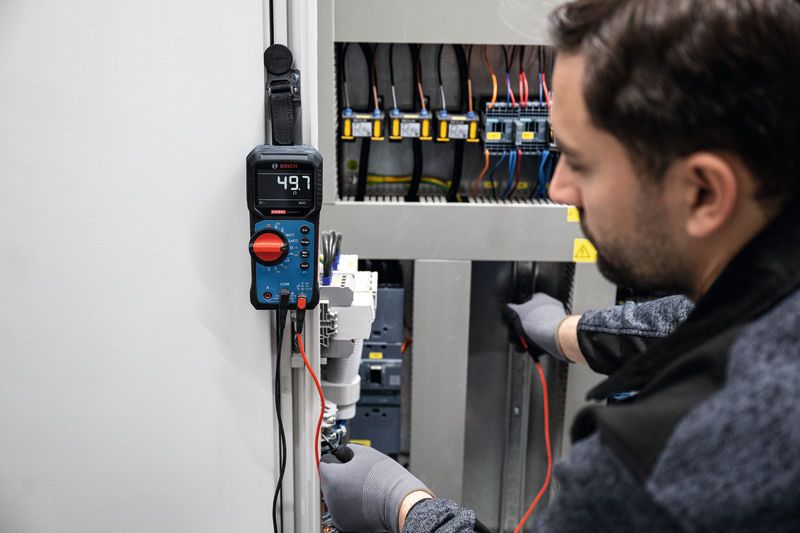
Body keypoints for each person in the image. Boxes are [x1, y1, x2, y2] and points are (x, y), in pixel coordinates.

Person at [320, 0, 800, 530]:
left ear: (704, 192)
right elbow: (709, 315)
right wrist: (572, 331)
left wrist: (406, 507)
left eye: (581, 161)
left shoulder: (655, 468)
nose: (557, 187)